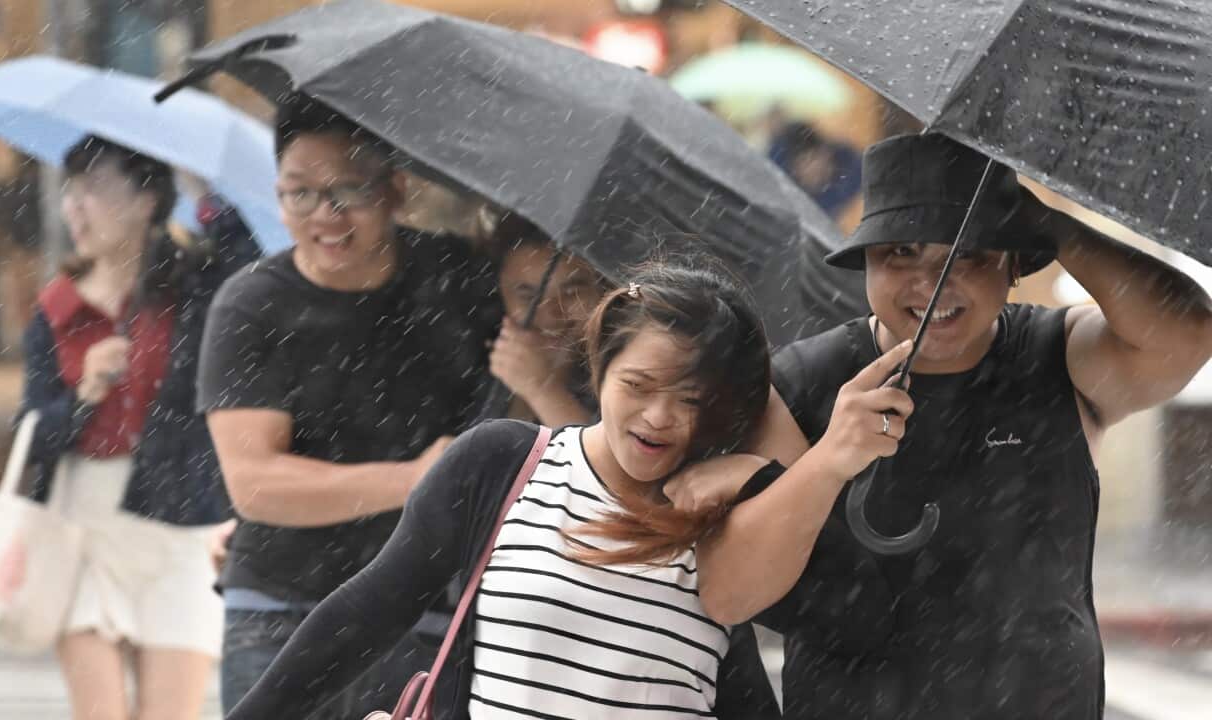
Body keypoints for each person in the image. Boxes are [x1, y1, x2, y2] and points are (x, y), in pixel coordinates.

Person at [672, 133, 1212, 719]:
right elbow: (730, 592)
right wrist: (829, 460)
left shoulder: (1061, 358)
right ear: (867, 265)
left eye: (968, 255)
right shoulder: (799, 383)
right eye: (901, 253)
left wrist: (1050, 225)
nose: (933, 284)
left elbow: (1188, 336)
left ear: (1011, 267)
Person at [227, 263, 792, 719]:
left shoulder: (726, 516)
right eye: (637, 386)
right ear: (601, 365)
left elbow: (747, 690)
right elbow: (369, 610)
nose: (659, 416)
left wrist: (769, 480)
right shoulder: (503, 462)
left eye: (691, 400)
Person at [197, 94, 500, 715]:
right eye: (299, 192)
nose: (324, 215)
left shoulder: (456, 277)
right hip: (281, 605)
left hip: (417, 606)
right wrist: (416, 480)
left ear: (395, 188)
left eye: (349, 190)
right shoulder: (252, 305)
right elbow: (256, 484)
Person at [18, 135, 257, 720]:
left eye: (95, 190)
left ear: (148, 201)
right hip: (82, 527)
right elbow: (27, 434)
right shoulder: (56, 309)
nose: (76, 207)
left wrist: (203, 189)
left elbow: (243, 259)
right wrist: (83, 396)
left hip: (178, 524)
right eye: (71, 191)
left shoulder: (191, 291)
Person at [487, 211, 607, 426]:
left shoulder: (625, 374)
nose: (550, 312)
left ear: (602, 291)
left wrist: (543, 389)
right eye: (528, 296)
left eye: (571, 292)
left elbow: (602, 459)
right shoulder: (481, 361)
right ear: (501, 295)